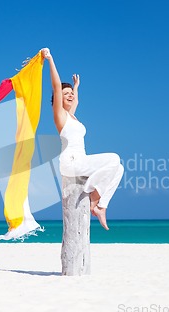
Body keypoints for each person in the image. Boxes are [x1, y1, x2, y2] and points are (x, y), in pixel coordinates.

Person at [42, 48, 124, 230]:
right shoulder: (60, 116)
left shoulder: (72, 116)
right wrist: (50, 59)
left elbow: (76, 102)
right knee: (114, 158)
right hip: (70, 163)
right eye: (67, 93)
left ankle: (101, 206)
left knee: (119, 168)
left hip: (81, 160)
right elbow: (56, 86)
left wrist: (76, 87)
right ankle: (92, 194)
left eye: (71, 93)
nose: (70, 95)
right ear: (57, 98)